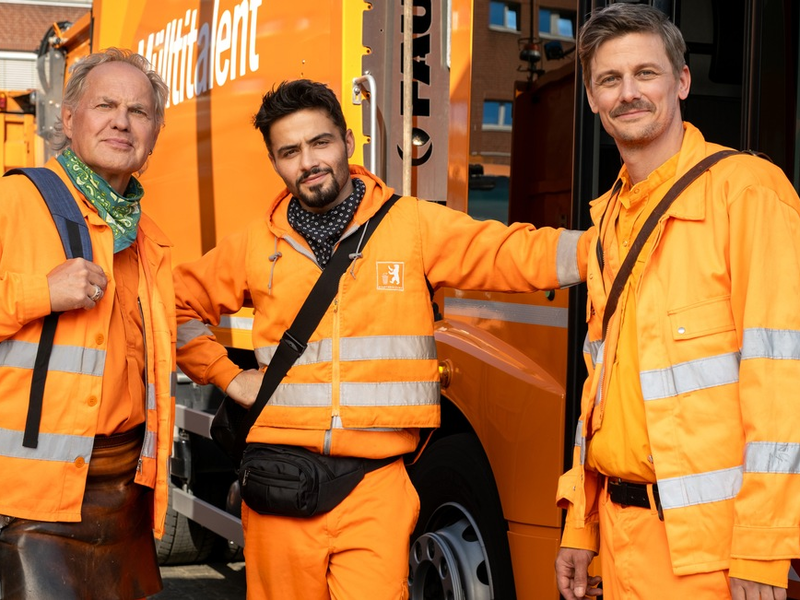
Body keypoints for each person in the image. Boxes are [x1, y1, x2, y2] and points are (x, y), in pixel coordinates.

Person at [173, 78, 591, 599]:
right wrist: (227, 377)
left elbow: (508, 252)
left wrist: (604, 248)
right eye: (290, 151)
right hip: (279, 483)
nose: (309, 161)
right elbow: (173, 304)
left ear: (348, 141)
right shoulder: (257, 245)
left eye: (320, 142)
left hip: (376, 487)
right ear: (275, 163)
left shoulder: (409, 225)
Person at [554, 4, 800, 600]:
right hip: (621, 541)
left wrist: (763, 547)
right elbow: (601, 391)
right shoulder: (611, 217)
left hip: (712, 558)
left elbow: (781, 385)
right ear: (592, 98)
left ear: (682, 81)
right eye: (609, 79)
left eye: (646, 73)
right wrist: (580, 524)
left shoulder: (747, 194)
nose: (628, 93)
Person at [0, 48, 175, 599]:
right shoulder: (15, 200)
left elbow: (166, 339)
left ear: (154, 134)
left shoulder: (147, 239)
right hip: (30, 499)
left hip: (122, 495)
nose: (122, 121)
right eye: (105, 105)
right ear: (69, 117)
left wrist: (228, 373)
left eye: (138, 111)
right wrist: (41, 293)